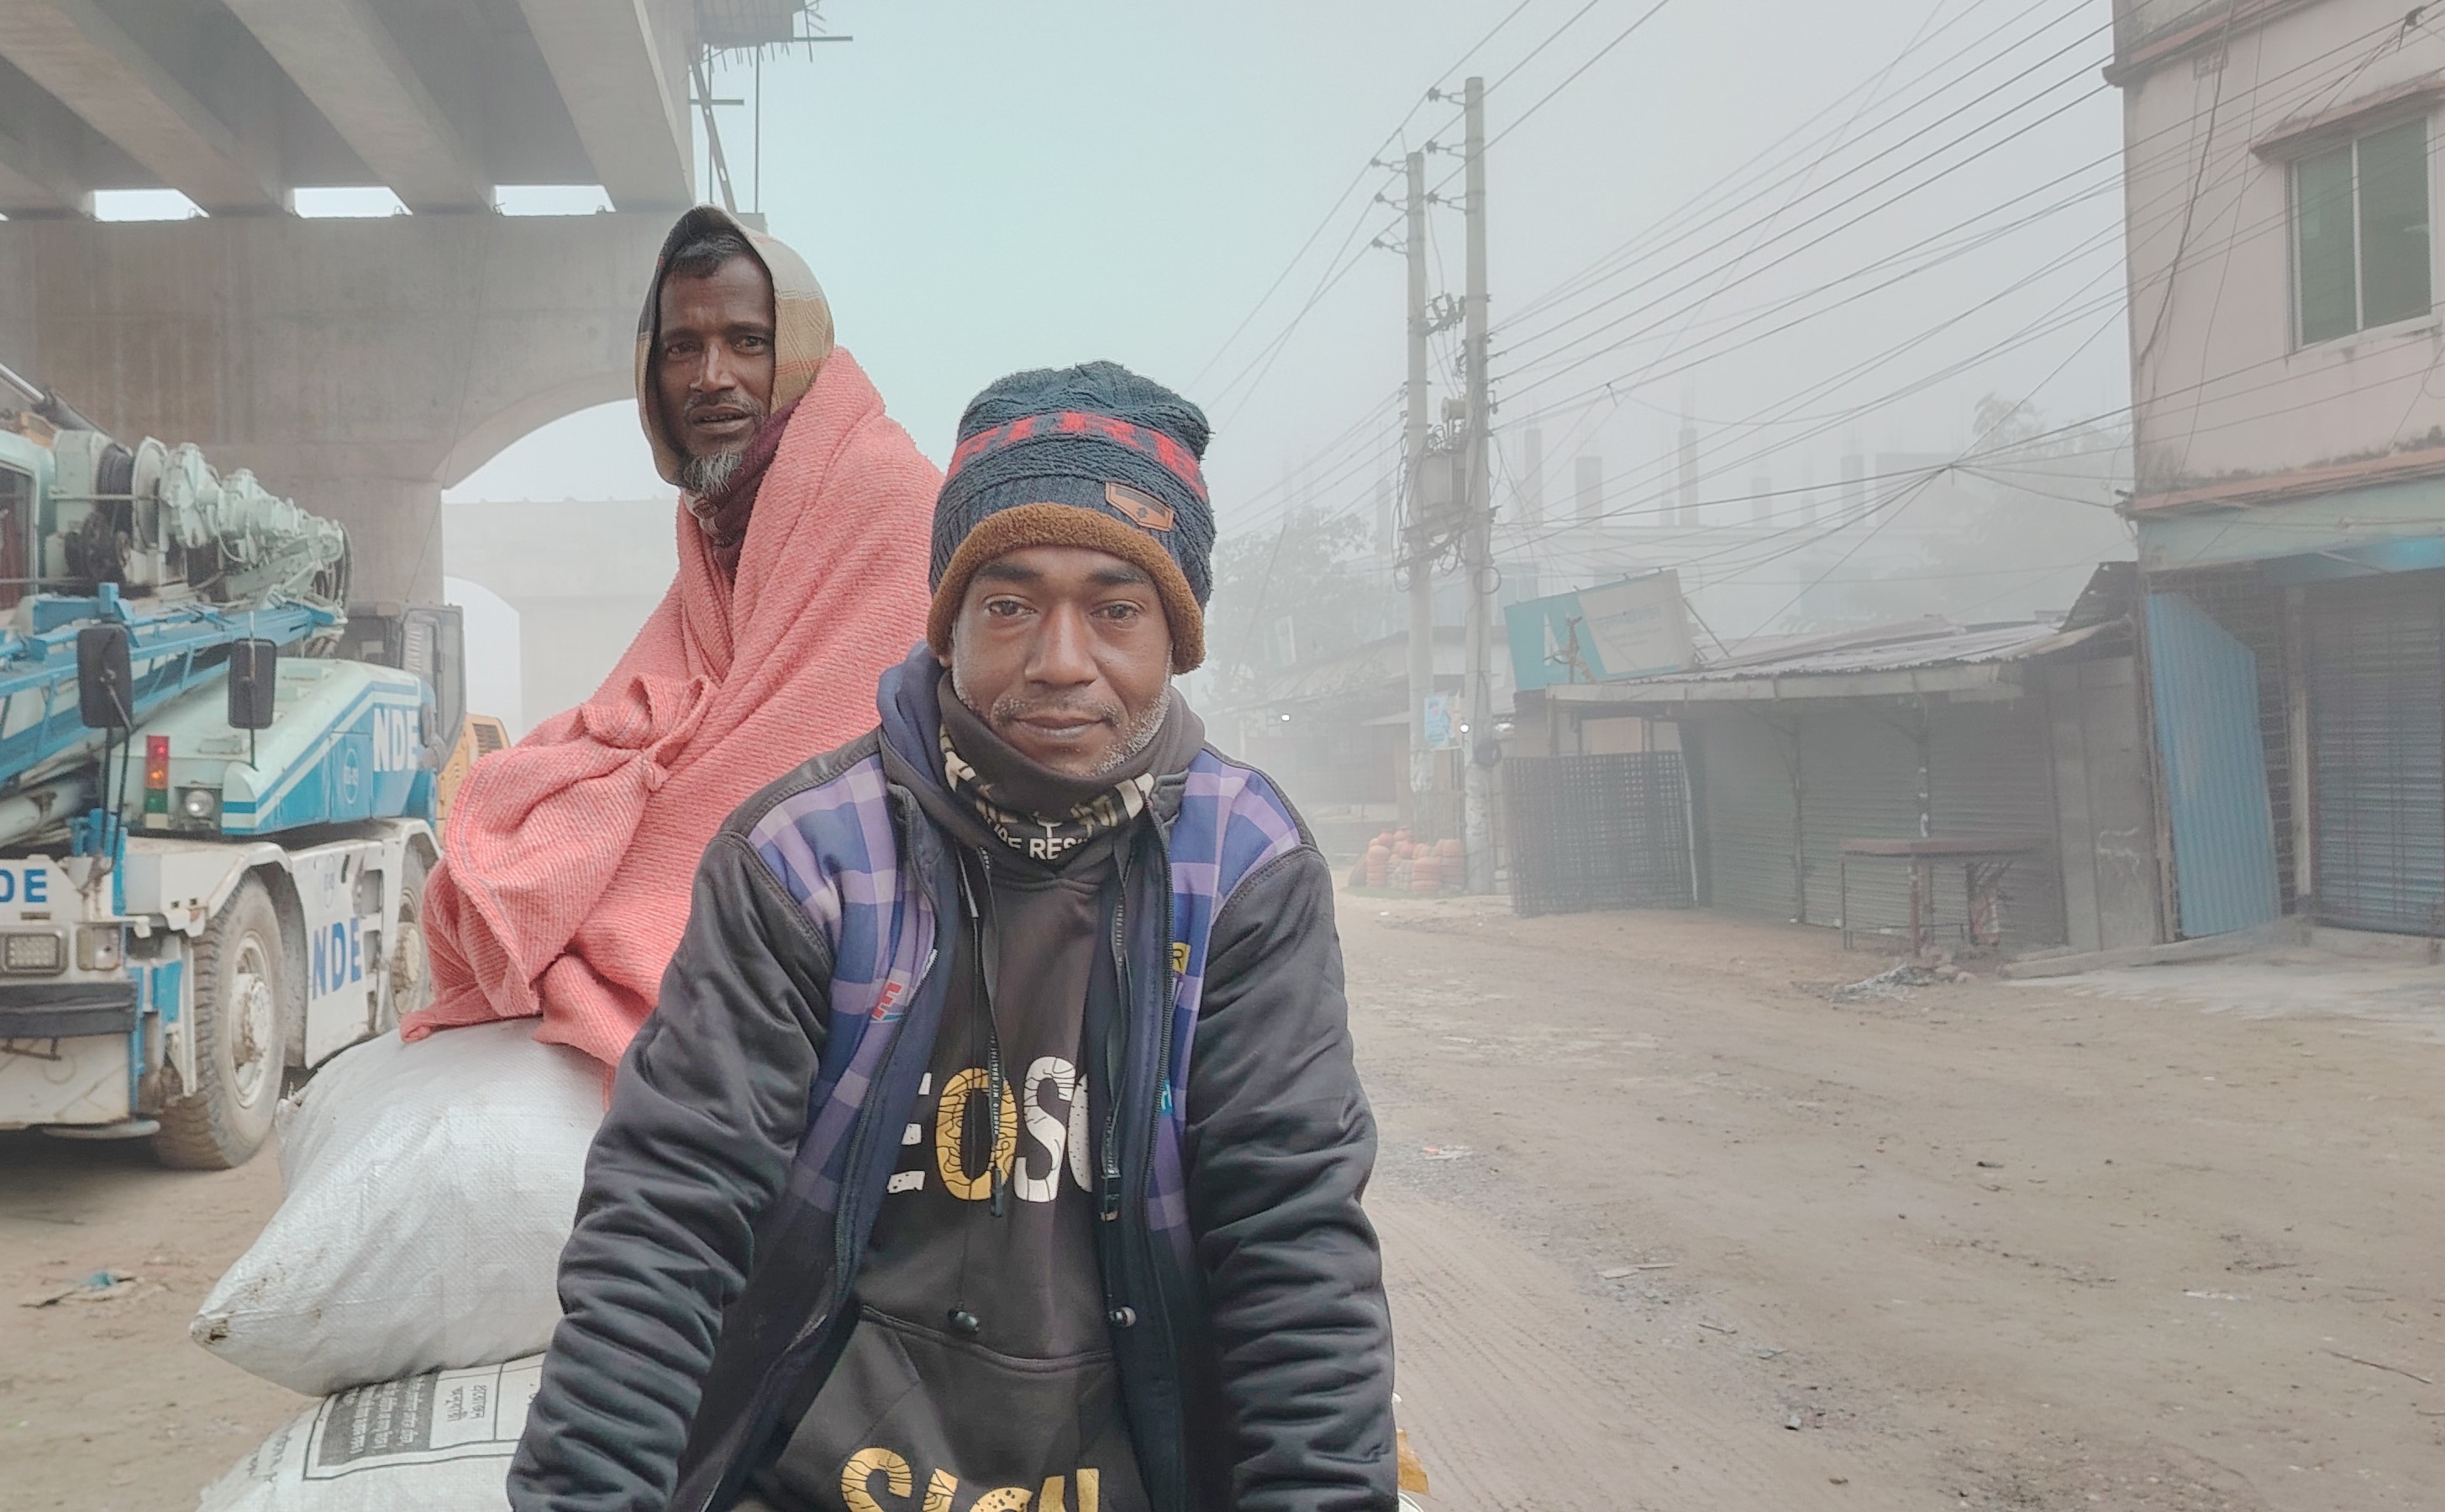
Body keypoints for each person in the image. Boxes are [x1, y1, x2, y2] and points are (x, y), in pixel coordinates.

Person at [509, 363, 1396, 1512]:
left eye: (1116, 609)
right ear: (947, 625)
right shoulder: (807, 859)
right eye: (1009, 603)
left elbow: (1293, 1248)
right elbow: (669, 1216)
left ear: (1175, 637)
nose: (1061, 660)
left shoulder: (1240, 870)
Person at [406, 207, 937, 1070]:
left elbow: (820, 747)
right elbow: (671, 695)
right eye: (682, 348)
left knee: (617, 912)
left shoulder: (883, 494)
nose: (711, 377)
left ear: (799, 353)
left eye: (746, 342)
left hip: (876, 905)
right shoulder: (719, 521)